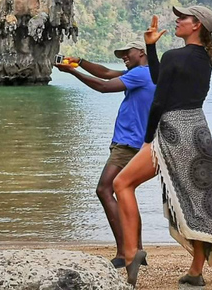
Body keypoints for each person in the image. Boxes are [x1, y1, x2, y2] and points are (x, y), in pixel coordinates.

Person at [114, 8, 212, 287]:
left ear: (196, 25)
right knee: (194, 200)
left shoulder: (176, 56)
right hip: (198, 130)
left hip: (173, 131)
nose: (177, 20)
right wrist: (151, 48)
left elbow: (159, 100)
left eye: (183, 18)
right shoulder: (204, 58)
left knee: (122, 184)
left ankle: (131, 253)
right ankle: (196, 270)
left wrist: (147, 139)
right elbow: (160, 78)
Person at [54, 41, 156, 267]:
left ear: (141, 52)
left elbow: (103, 85)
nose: (123, 57)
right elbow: (108, 73)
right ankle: (136, 249)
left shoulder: (139, 74)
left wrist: (73, 72)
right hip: (139, 143)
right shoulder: (146, 73)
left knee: (104, 189)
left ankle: (124, 252)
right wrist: (80, 62)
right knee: (125, 192)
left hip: (128, 143)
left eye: (127, 53)